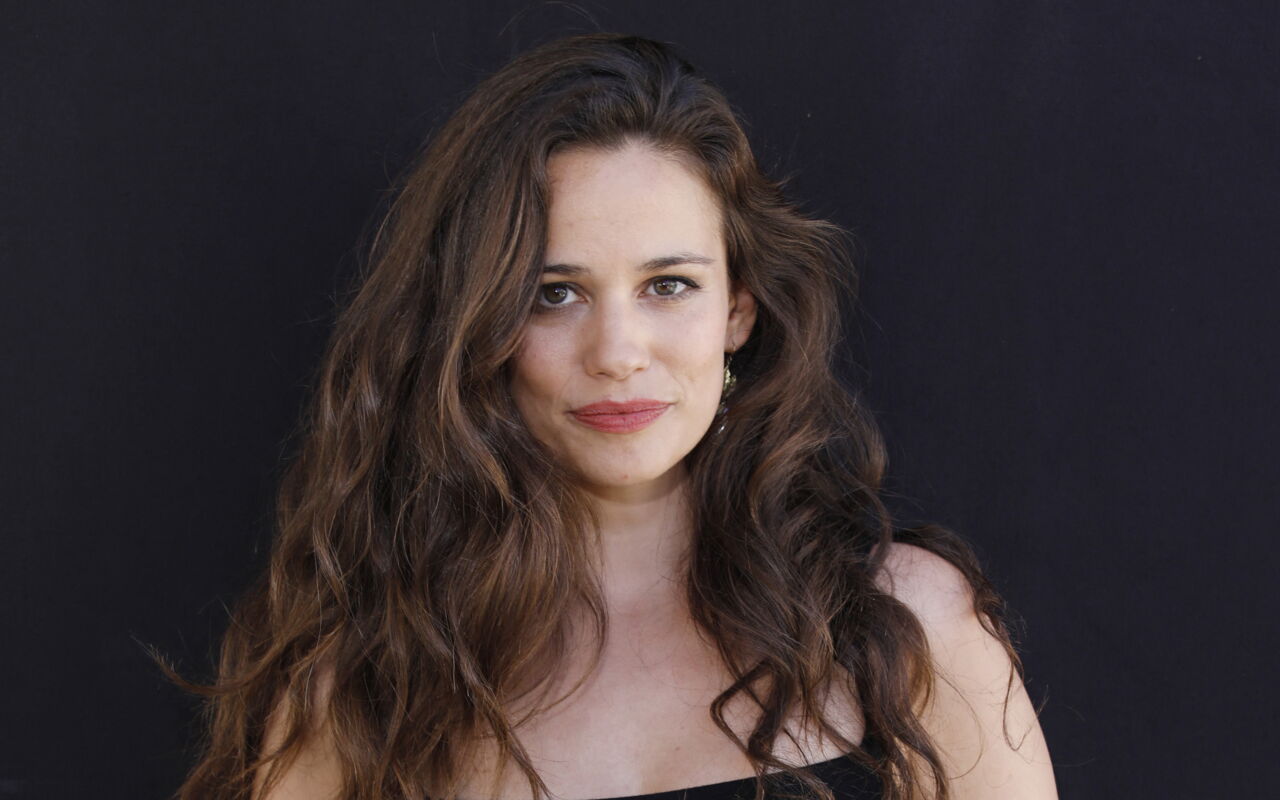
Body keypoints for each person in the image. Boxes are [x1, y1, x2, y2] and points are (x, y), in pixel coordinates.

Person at [158, 32, 1058, 800]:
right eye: (554, 294)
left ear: (738, 309)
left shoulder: (908, 627)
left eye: (669, 285)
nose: (618, 352)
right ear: (481, 326)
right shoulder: (367, 685)